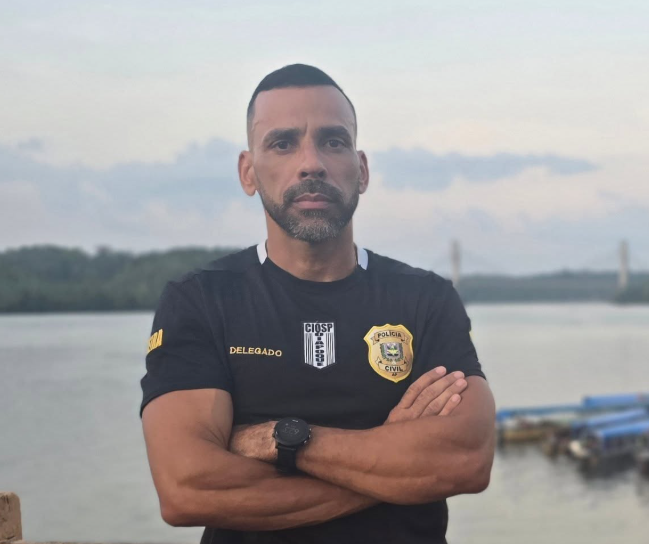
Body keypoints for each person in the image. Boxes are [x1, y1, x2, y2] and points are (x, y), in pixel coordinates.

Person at [140, 64, 495, 544]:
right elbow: (187, 490)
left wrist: (283, 439)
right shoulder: (202, 300)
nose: (312, 163)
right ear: (248, 172)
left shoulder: (425, 299)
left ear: (361, 170)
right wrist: (394, 467)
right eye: (283, 143)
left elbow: (466, 461)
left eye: (333, 141)